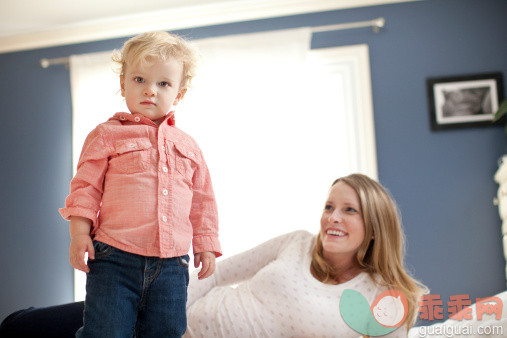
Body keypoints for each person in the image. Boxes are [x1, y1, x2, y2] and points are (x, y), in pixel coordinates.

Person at [0, 174, 425, 337]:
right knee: (23, 327)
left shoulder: (381, 300)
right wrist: (170, 318)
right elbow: (217, 273)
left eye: (349, 210)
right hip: (158, 314)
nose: (332, 217)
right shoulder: (297, 242)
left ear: (375, 227)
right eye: (329, 206)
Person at [60, 31, 221, 337]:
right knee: (105, 331)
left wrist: (206, 245)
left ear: (179, 92)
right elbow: (86, 189)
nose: (150, 91)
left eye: (163, 83)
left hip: (172, 266)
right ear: (123, 85)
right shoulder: (106, 135)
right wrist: (79, 233)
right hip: (114, 260)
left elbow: (202, 200)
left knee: (167, 332)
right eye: (139, 80)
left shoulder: (189, 146)